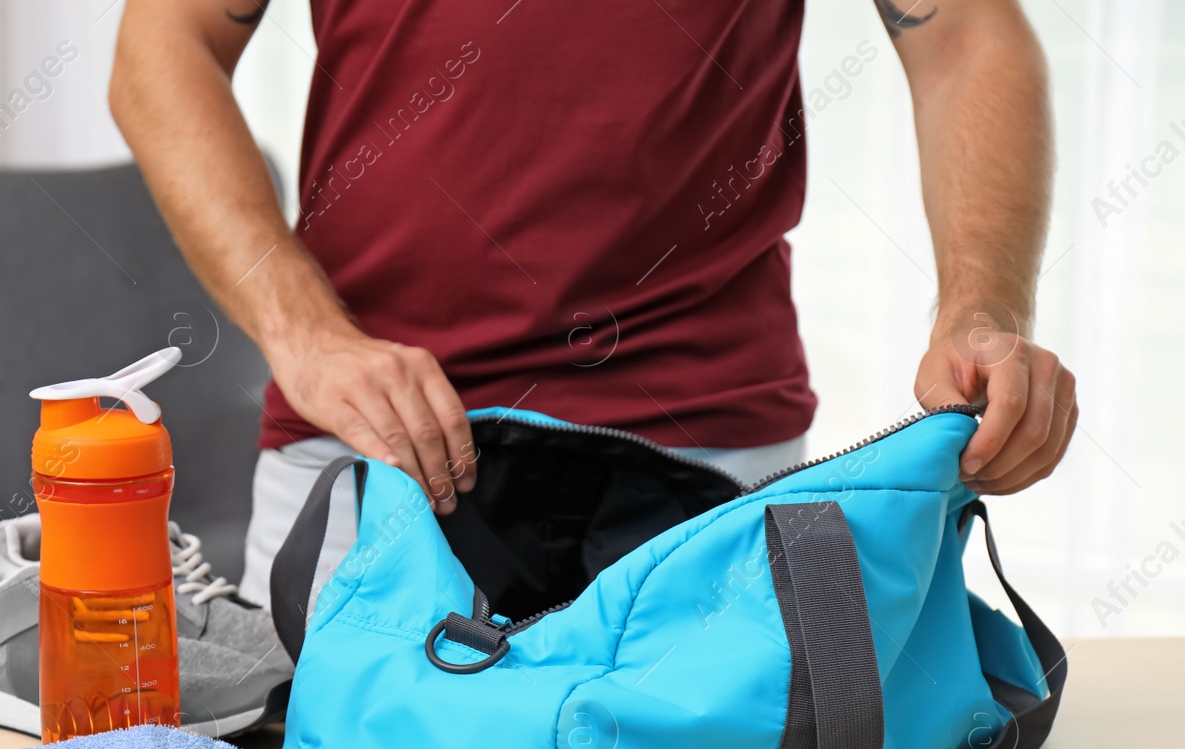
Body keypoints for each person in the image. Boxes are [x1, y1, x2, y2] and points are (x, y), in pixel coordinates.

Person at [109, 0, 1079, 606]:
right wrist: (305, 336)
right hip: (369, 446)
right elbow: (164, 43)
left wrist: (979, 312)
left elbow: (960, 33)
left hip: (699, 455)